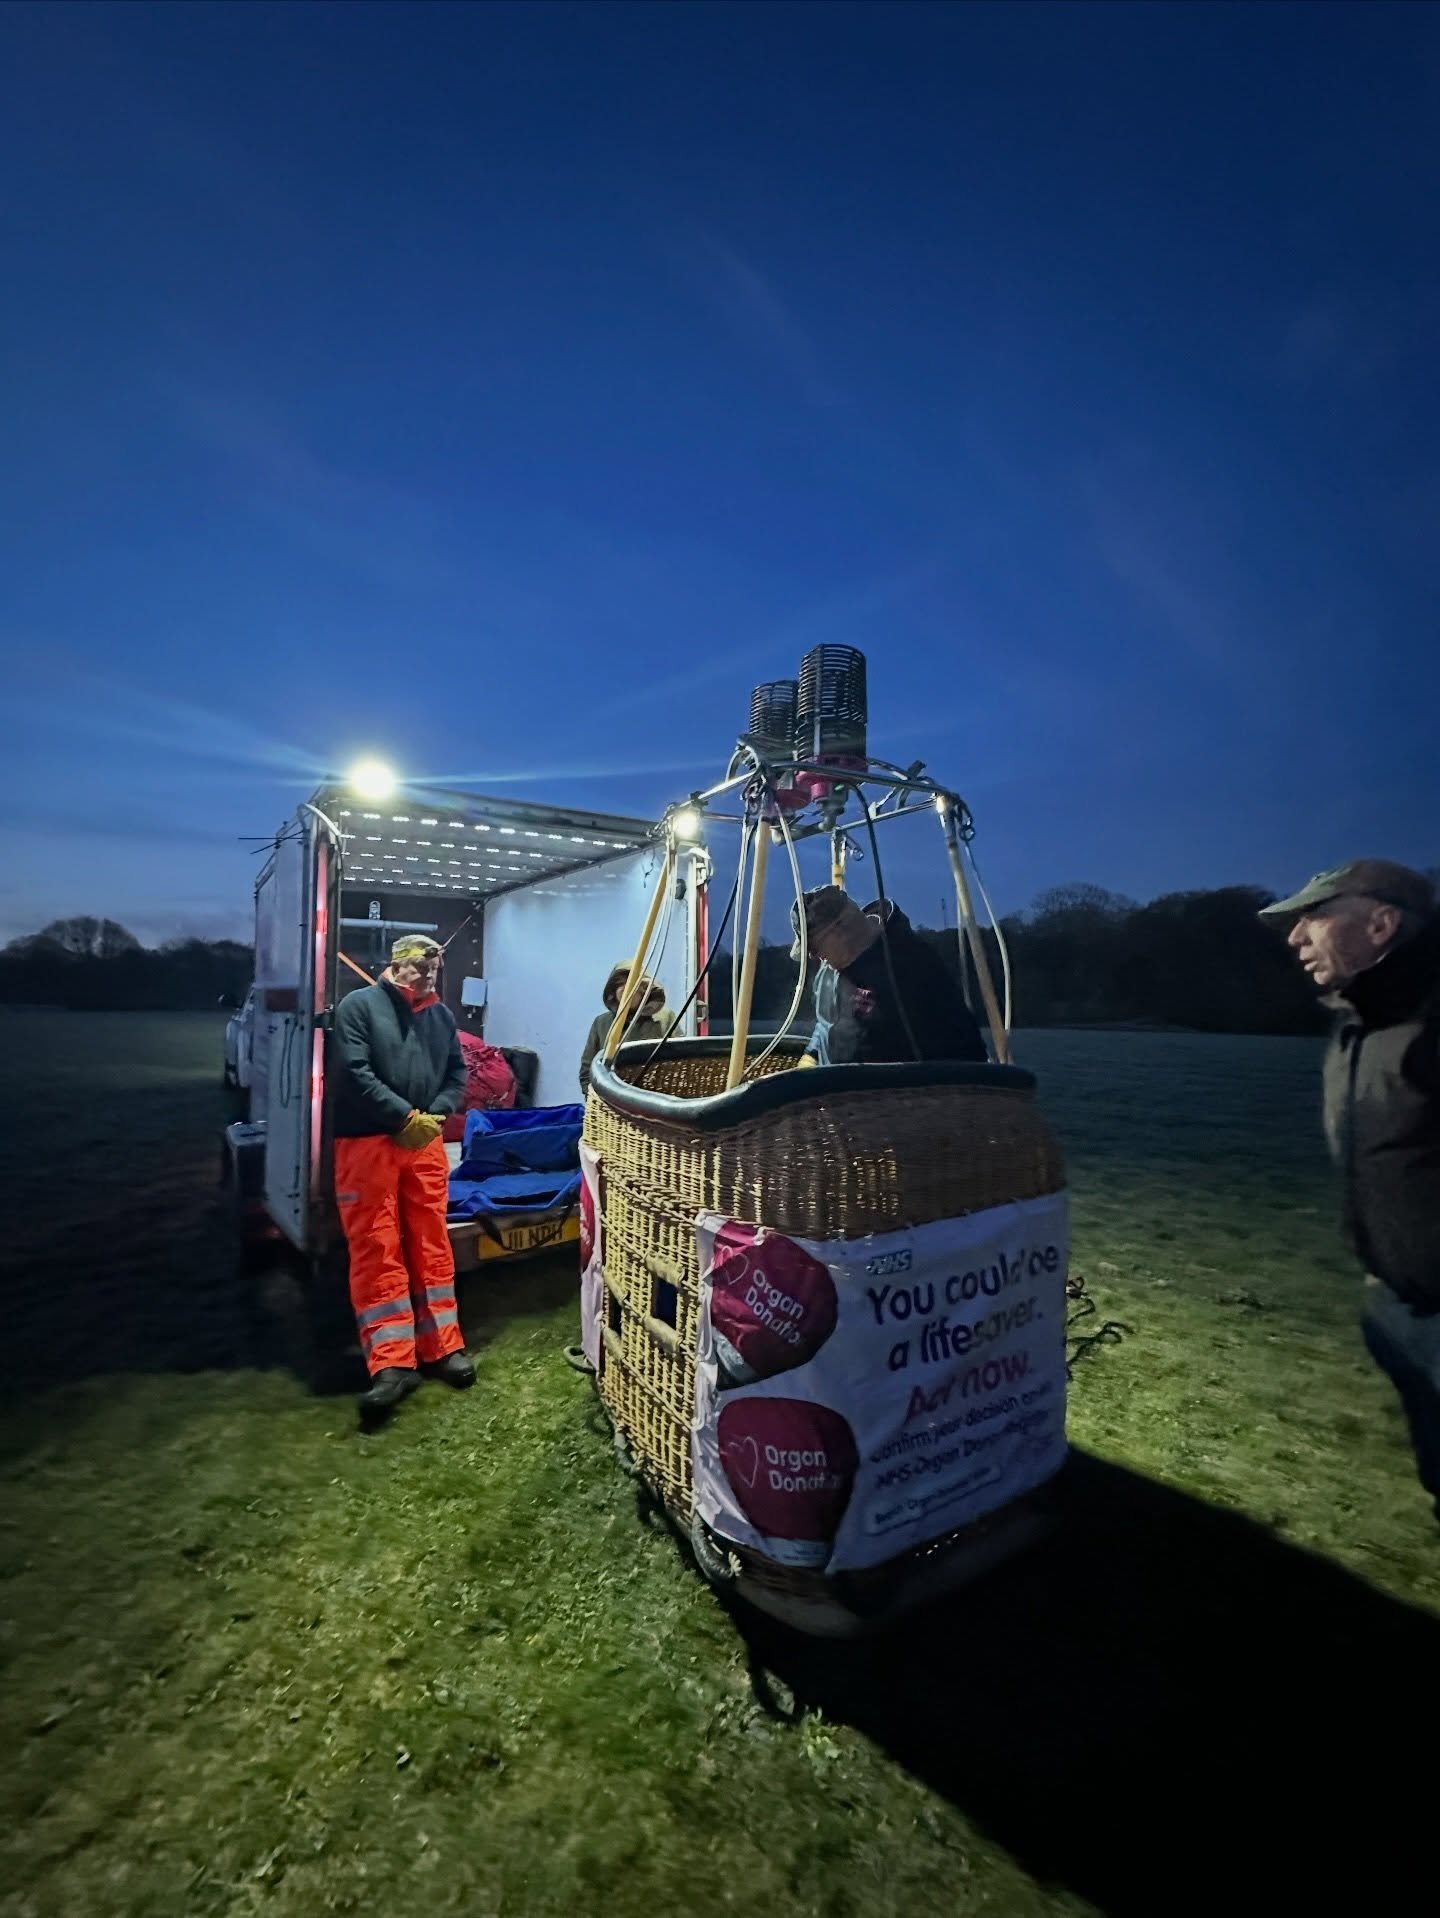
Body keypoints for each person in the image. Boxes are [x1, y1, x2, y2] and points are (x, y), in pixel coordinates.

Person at [1260, 859, 1440, 1521]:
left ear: (1381, 923)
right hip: (1396, 1302)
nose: (1295, 938)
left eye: (1314, 917)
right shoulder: (1357, 1024)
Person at [331, 933, 473, 1428]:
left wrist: (436, 1115)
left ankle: (443, 1348)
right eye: (421, 967)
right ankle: (391, 1363)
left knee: (432, 1243)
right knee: (377, 1247)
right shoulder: (359, 1006)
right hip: (367, 1143)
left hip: (424, 1141)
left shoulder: (441, 1016)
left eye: (435, 969)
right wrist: (402, 1116)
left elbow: (456, 1073)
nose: (430, 975)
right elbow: (354, 1071)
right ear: (396, 964)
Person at [791, 885, 987, 1067]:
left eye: (813, 945)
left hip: (895, 1090)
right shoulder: (827, 970)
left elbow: (966, 1048)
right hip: (831, 1087)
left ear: (841, 927)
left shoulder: (914, 964)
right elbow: (824, 1025)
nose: (812, 956)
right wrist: (810, 1057)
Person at [579, 962, 670, 1094]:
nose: (626, 989)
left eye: (633, 982)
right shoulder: (602, 1023)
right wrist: (593, 1098)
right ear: (613, 990)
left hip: (654, 1096)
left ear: (644, 988)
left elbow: (681, 1060)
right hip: (612, 1098)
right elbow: (587, 1071)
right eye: (620, 984)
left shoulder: (664, 1018)